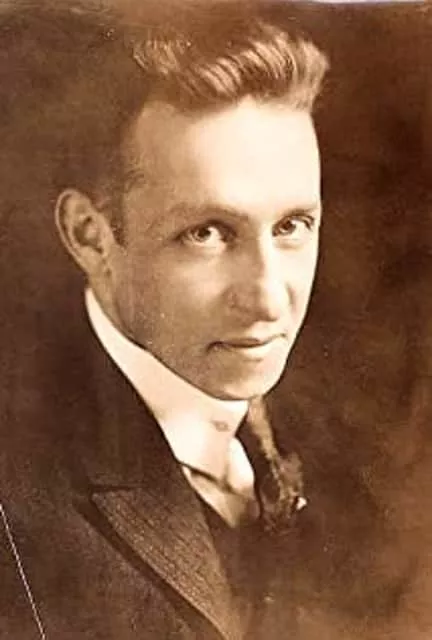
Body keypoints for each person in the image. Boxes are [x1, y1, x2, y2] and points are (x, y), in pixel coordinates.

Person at [0, 2, 328, 638]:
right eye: (207, 233)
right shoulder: (18, 499)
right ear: (91, 236)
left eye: (292, 226)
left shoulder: (362, 438)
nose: (269, 299)